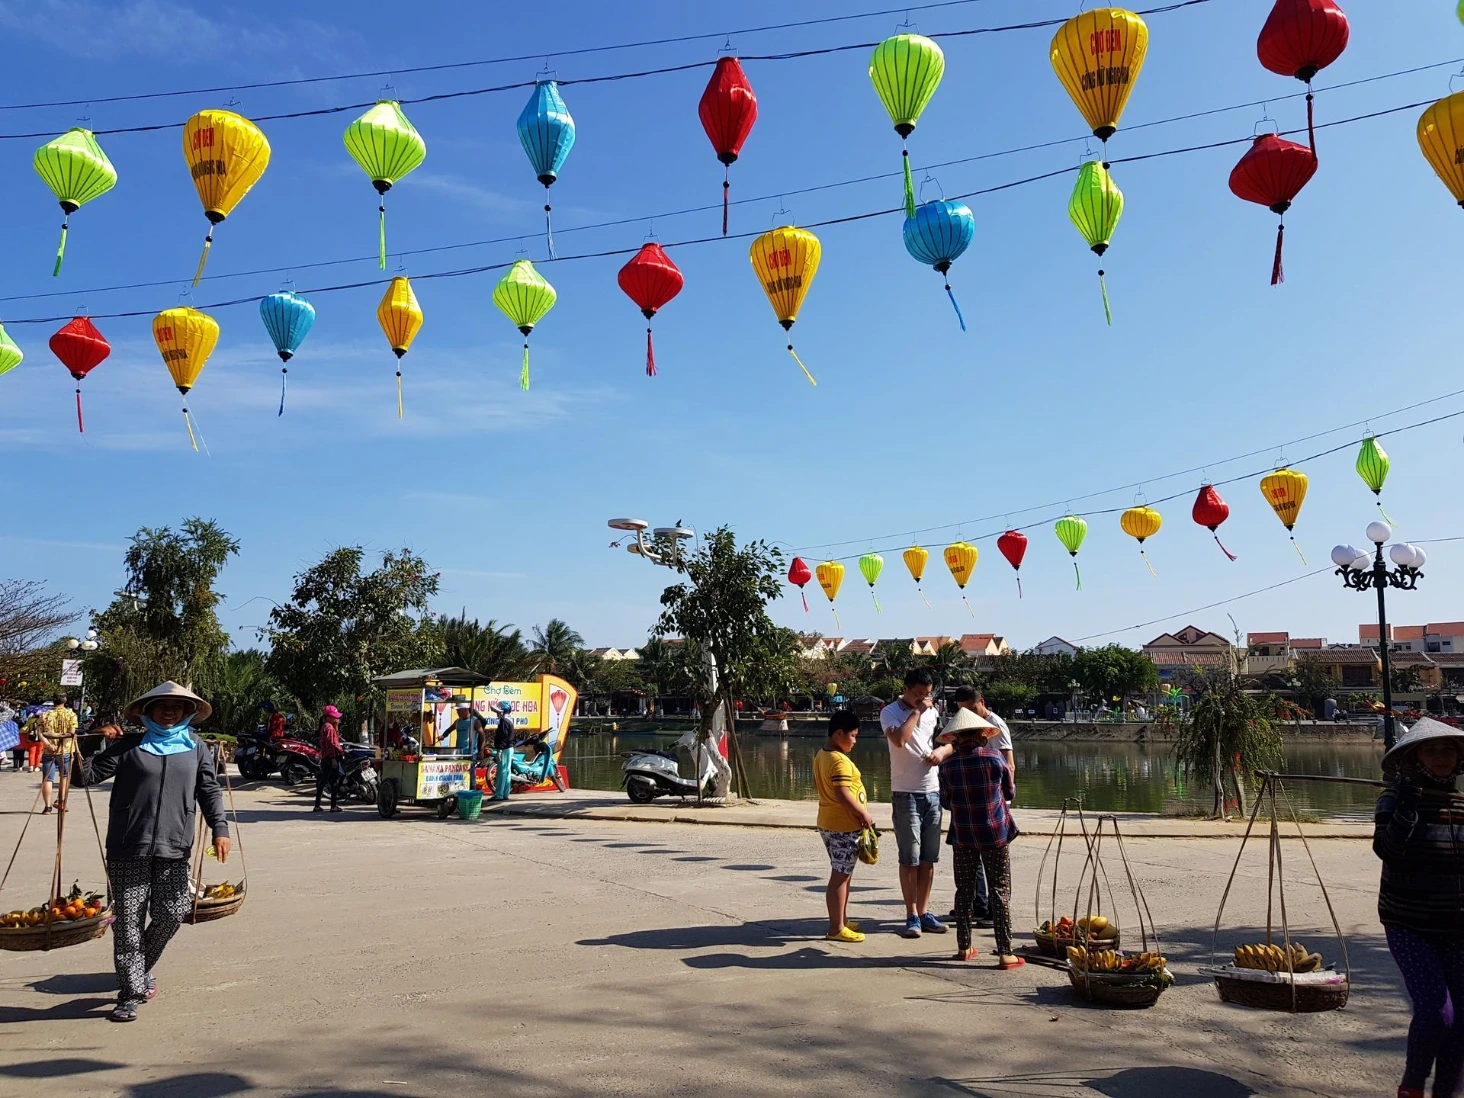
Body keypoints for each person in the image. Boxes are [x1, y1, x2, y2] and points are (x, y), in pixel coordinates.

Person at [81, 682, 230, 1023]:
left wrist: (219, 828)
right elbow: (83, 776)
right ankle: (131, 992)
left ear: (187, 713)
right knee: (129, 922)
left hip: (174, 845)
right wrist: (92, 739)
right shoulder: (130, 746)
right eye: (161, 705)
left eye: (176, 707)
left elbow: (208, 790)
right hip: (127, 845)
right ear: (147, 711)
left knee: (172, 911)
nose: (169, 711)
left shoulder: (195, 748)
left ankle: (138, 969)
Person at [1374, 717, 1464, 1098]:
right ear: (1415, 757)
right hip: (1409, 922)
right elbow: (1389, 850)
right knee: (1435, 1012)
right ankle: (1412, 1086)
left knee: (1461, 1022)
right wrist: (1408, 804)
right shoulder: (1395, 799)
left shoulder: (1460, 803)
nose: (1441, 757)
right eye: (1432, 750)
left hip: (1457, 925)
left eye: (1449, 750)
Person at [938, 707, 1022, 969]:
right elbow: (1009, 793)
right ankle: (1005, 952)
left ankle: (964, 947)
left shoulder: (947, 765)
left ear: (956, 738)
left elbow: (946, 803)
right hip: (995, 834)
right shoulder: (995, 759)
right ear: (982, 735)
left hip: (963, 835)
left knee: (964, 890)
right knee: (1000, 890)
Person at [880, 669, 949, 938]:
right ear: (906, 689)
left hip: (932, 790)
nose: (924, 698)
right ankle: (911, 914)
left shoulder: (933, 711)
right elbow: (899, 740)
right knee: (909, 858)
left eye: (927, 693)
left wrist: (942, 752)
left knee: (928, 858)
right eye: (919, 693)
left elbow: (948, 740)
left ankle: (924, 911)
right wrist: (917, 711)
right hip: (905, 792)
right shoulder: (891, 712)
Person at [946, 687, 1016, 927]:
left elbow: (1009, 764)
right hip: (974, 798)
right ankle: (980, 906)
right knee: (974, 863)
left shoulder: (994, 725)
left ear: (981, 703)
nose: (966, 714)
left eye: (971, 708)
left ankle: (985, 911)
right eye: (962, 710)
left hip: (991, 802)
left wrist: (1004, 801)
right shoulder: (963, 748)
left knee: (990, 867)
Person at [814, 709, 875, 943]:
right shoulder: (839, 762)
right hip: (842, 825)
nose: (855, 741)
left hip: (829, 821)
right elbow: (842, 794)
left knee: (844, 873)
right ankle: (836, 927)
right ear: (839, 734)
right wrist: (863, 813)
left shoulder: (822, 754)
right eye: (853, 736)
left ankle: (842, 919)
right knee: (840, 875)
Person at [35, 696, 78, 814]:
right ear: (64, 702)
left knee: (47, 779)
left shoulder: (44, 715)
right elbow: (72, 733)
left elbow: (40, 733)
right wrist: (61, 744)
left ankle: (47, 807)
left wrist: (49, 745)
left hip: (49, 751)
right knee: (64, 777)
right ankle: (61, 801)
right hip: (65, 750)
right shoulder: (71, 715)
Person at [314, 705, 344, 812]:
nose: (337, 719)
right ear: (329, 717)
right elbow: (331, 744)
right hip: (330, 757)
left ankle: (317, 805)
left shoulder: (325, 727)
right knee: (334, 782)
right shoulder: (329, 728)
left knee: (323, 781)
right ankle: (333, 806)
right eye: (335, 717)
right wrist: (333, 758)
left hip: (325, 757)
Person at [492, 700, 516, 801]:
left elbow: (502, 737)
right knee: (506, 772)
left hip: (505, 749)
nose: (497, 713)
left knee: (501, 772)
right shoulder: (509, 720)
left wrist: (499, 751)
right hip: (509, 748)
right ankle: (505, 794)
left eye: (498, 711)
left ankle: (499, 795)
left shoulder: (503, 721)